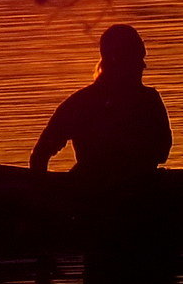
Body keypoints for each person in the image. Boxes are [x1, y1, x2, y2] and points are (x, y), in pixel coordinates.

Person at [29, 24, 172, 182]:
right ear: (116, 60)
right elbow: (41, 154)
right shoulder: (81, 104)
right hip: (96, 189)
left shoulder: (80, 102)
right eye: (136, 59)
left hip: (135, 185)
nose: (143, 66)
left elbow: (162, 152)